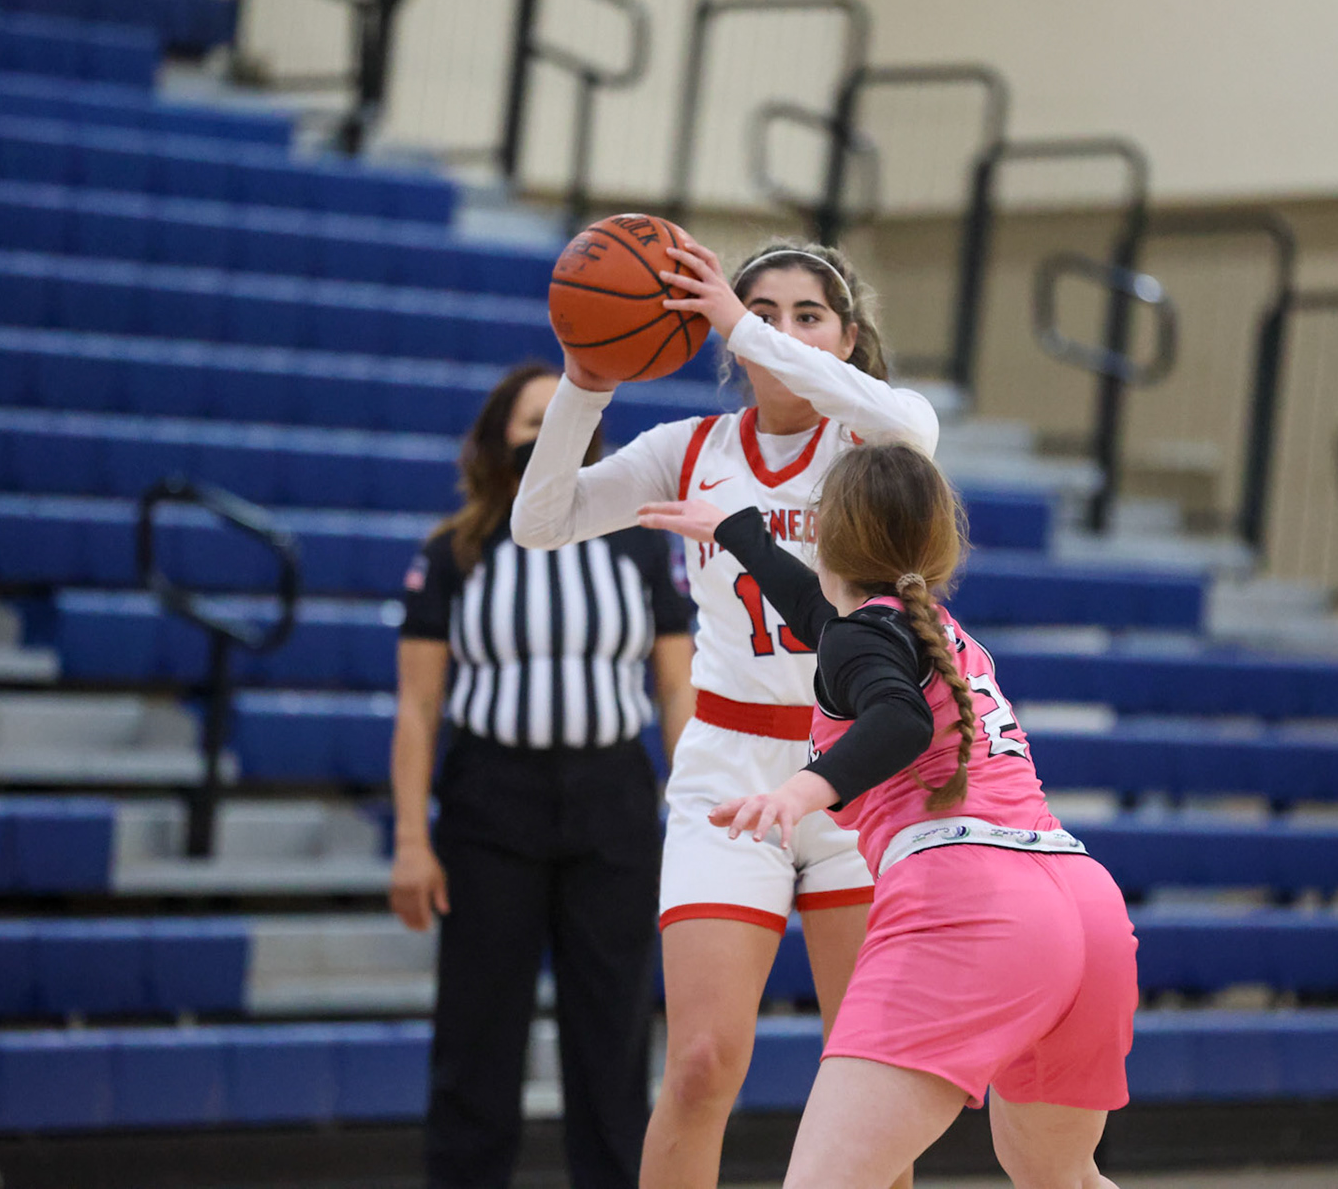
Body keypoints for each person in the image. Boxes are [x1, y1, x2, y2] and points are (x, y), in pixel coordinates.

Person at [512, 235, 940, 1188]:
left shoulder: (873, 443)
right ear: (721, 341)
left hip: (856, 778)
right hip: (727, 770)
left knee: (867, 1081)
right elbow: (538, 524)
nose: (782, 331)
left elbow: (912, 426)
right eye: (759, 315)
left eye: (808, 316)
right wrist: (586, 382)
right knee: (704, 1065)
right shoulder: (689, 449)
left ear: (848, 337)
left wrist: (742, 319)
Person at [636, 441, 1136, 1189]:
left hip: (976, 904)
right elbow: (815, 609)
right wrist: (736, 531)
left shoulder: (865, 639)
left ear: (828, 536)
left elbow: (896, 720)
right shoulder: (935, 632)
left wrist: (801, 791)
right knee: (1061, 1177)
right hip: (1083, 904)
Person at [389, 361, 696, 1189]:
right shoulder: (453, 550)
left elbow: (676, 685)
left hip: (613, 806)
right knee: (477, 1037)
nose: (541, 437)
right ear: (496, 440)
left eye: (558, 422)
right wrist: (412, 843)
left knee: (615, 1036)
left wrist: (695, 810)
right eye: (528, 423)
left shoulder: (636, 544)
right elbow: (418, 709)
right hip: (491, 807)